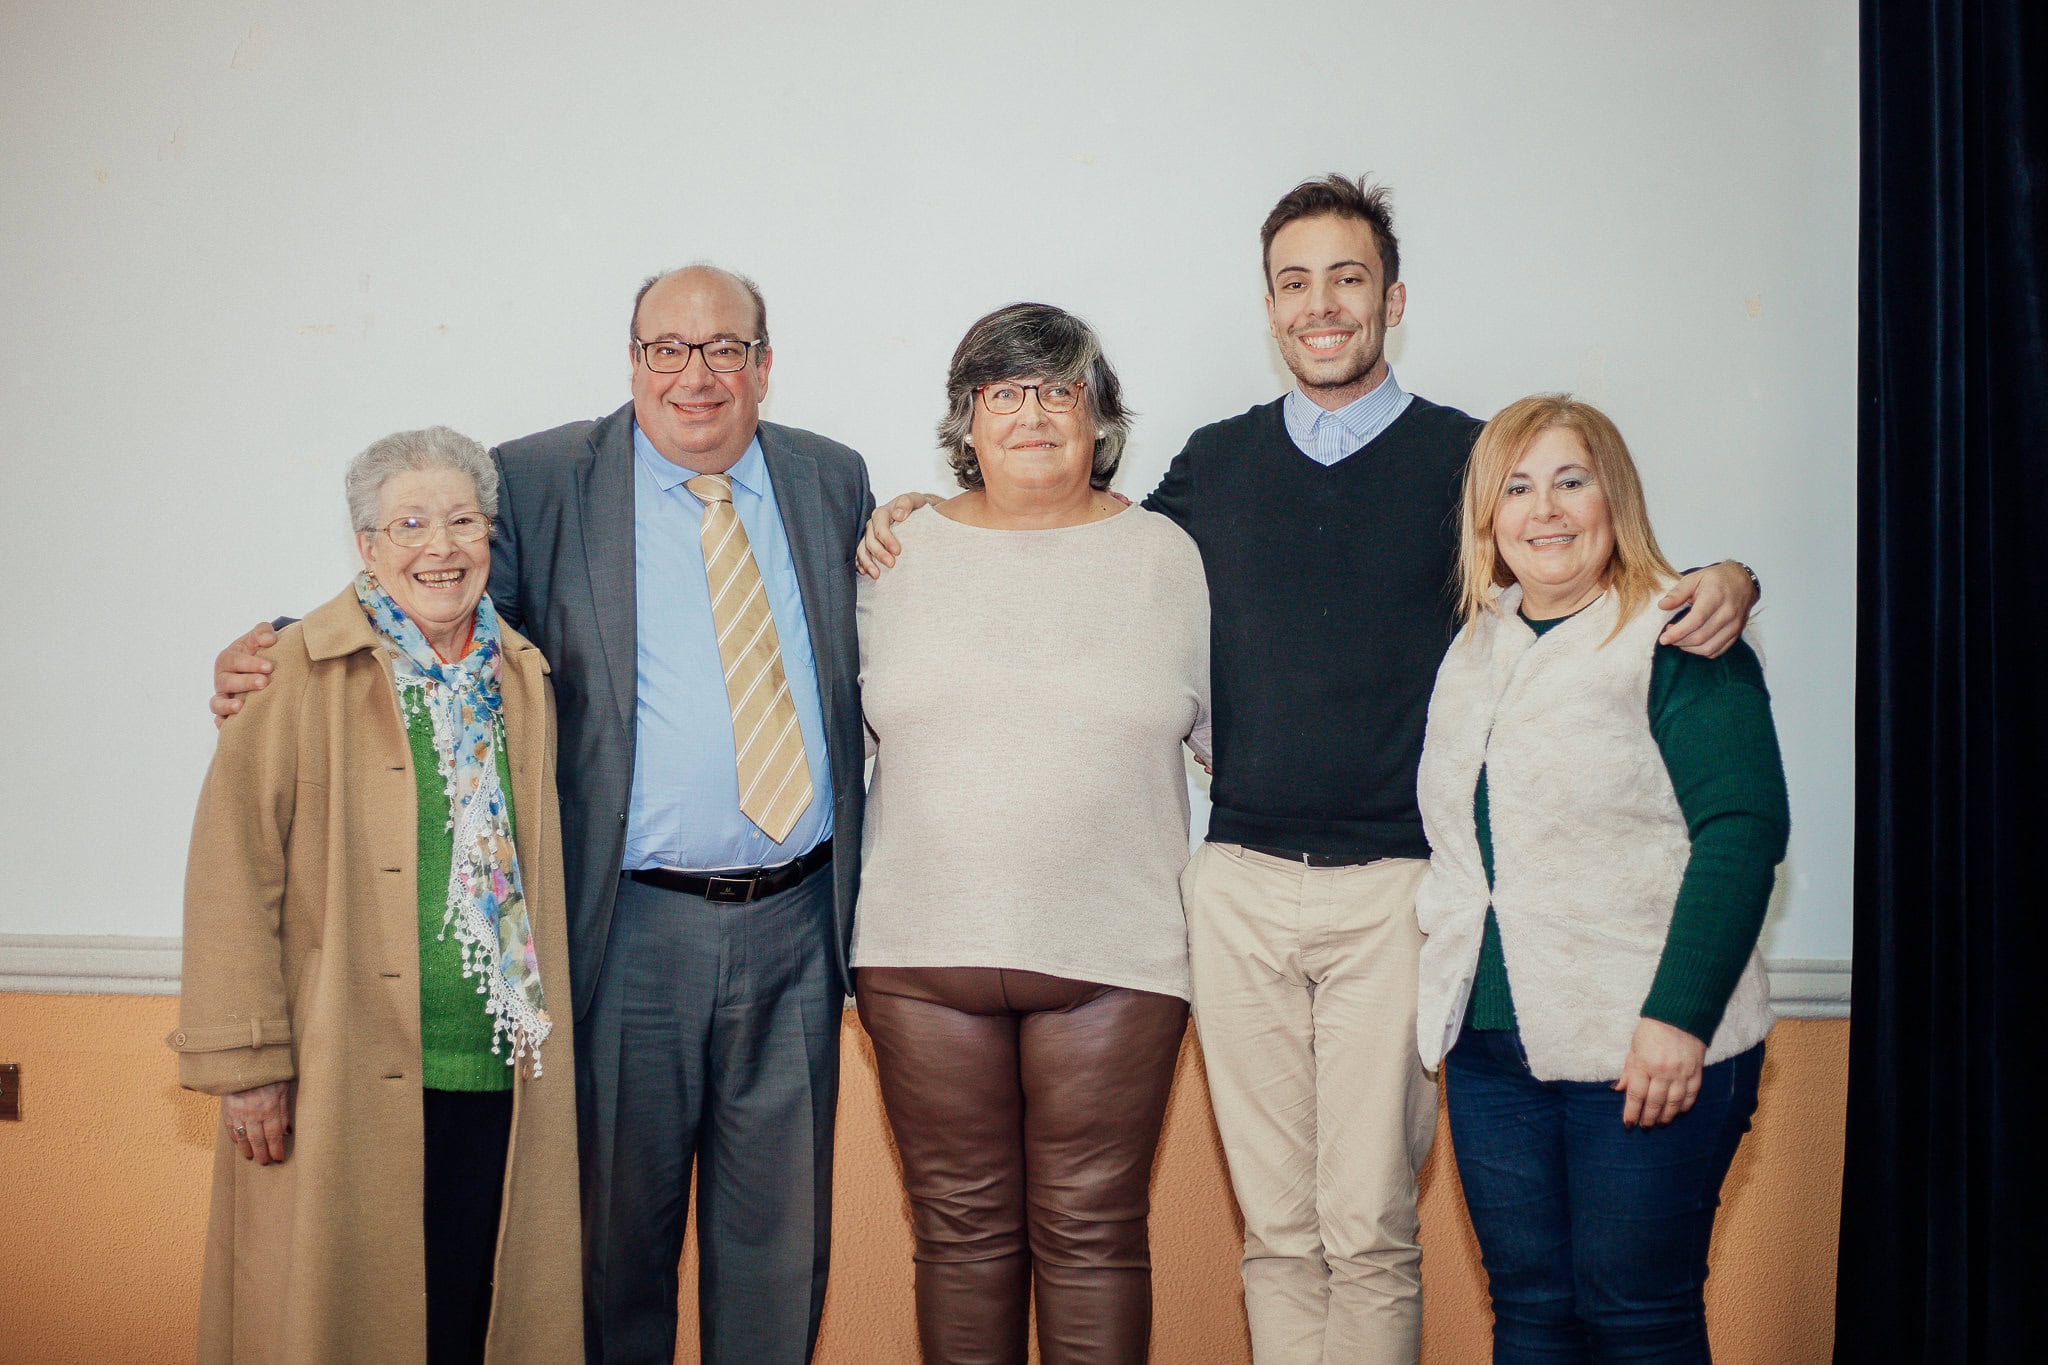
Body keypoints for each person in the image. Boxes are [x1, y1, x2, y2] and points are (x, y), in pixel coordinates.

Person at [858, 175, 1762, 1363]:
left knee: (1369, 1230)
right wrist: (922, 511)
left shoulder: (1467, 460)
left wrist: (1723, 577)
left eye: (1347, 278)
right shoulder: (1213, 468)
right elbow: (1077, 546)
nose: (1321, 304)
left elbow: (1578, 562)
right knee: (1278, 1235)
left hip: (1397, 891)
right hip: (1235, 888)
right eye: (1295, 282)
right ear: (1270, 306)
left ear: (1393, 299)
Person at [210, 267, 874, 1364]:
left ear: (764, 364)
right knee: (611, 1252)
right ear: (632, 360)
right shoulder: (542, 478)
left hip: (798, 927)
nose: (696, 374)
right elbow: (433, 597)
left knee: (779, 1248)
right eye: (668, 348)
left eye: (724, 348)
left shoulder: (830, 477)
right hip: (625, 931)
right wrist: (285, 643)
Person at [173, 427, 583, 1363]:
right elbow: (233, 866)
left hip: (499, 1071)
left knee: (469, 1325)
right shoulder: (292, 670)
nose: (441, 547)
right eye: (410, 524)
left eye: (463, 522)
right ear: (366, 544)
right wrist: (246, 1062)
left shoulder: (522, 677)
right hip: (338, 1074)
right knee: (346, 1324)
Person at [853, 303, 1210, 1365]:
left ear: (1100, 418)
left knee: (1094, 1236)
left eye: (1060, 390)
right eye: (1003, 392)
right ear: (966, 422)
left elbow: (1236, 743)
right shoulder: (892, 554)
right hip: (918, 957)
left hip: (1118, 959)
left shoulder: (1167, 557)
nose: (1033, 414)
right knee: (958, 1237)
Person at [1413, 395, 1787, 1360]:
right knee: (1531, 1312)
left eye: (1569, 481)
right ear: (1488, 517)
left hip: (1645, 1041)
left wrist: (1679, 1018)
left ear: (1613, 496)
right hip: (1491, 1050)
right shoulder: (1475, 646)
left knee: (1636, 1315)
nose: (1544, 509)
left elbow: (1742, 831)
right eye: (1517, 488)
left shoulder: (1680, 632)